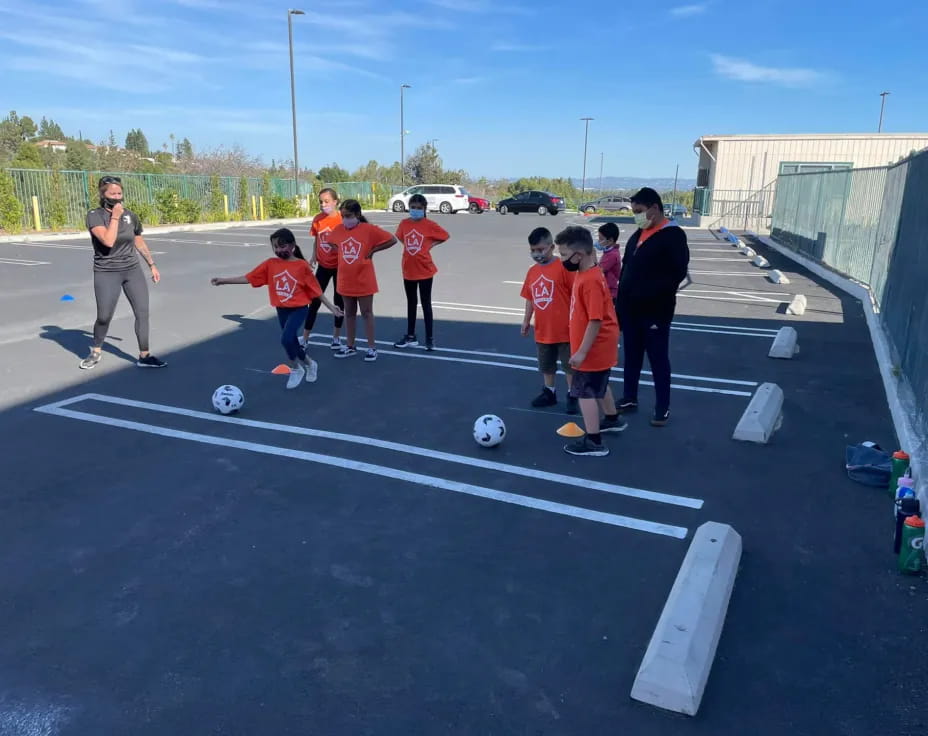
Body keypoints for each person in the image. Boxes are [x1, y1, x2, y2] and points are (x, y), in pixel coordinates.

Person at [210, 228, 342, 389]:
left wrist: (331, 307)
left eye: (282, 246)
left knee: (286, 339)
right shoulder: (270, 264)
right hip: (281, 309)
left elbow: (316, 290)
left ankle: (296, 368)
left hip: (299, 309)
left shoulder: (301, 266)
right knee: (292, 341)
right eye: (275, 247)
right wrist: (224, 280)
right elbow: (249, 277)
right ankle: (310, 363)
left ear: (292, 245)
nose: (279, 250)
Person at [615, 187, 689, 427]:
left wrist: (648, 293)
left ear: (654, 208)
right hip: (630, 310)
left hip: (655, 311)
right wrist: (620, 306)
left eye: (639, 211)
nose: (636, 216)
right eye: (634, 212)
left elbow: (676, 273)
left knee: (658, 359)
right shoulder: (639, 234)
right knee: (631, 356)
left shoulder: (673, 235)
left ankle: (662, 407)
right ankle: (629, 397)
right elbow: (626, 268)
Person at [80, 176, 165, 370]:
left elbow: (138, 241)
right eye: (113, 193)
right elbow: (108, 241)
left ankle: (144, 355)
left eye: (119, 193)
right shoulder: (95, 215)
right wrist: (115, 216)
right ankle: (96, 351)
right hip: (107, 271)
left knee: (142, 312)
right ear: (103, 194)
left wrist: (151, 264)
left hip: (132, 270)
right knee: (104, 316)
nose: (117, 197)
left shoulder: (131, 216)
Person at [555, 226, 626, 457]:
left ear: (579, 255)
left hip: (594, 348)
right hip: (599, 346)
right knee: (599, 385)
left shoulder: (591, 281)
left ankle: (594, 441)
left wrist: (582, 352)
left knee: (585, 392)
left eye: (564, 255)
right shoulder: (587, 273)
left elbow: (595, 320)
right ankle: (612, 419)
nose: (562, 260)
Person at [328, 199, 397, 361]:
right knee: (349, 314)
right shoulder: (339, 230)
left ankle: (372, 347)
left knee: (366, 313)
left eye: (349, 216)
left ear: (358, 214)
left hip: (364, 278)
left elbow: (392, 240)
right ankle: (350, 345)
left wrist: (373, 250)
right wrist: (339, 250)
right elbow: (330, 242)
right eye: (343, 216)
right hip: (345, 279)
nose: (345, 219)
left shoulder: (368, 229)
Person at [520, 227, 578, 415]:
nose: (537, 254)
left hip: (565, 329)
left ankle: (572, 394)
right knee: (546, 364)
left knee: (569, 365)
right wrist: (526, 320)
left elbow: (576, 295)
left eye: (541, 249)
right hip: (543, 329)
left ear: (552, 247)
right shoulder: (532, 272)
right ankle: (549, 392)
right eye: (533, 250)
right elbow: (530, 297)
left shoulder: (564, 267)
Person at [393, 193, 449, 351]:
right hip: (408, 269)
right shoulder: (404, 223)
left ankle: (429, 338)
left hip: (424, 269)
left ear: (424, 209)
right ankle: (410, 336)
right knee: (411, 302)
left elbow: (445, 235)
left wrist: (430, 245)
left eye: (419, 208)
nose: (415, 210)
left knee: (426, 303)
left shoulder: (429, 224)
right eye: (413, 207)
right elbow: (401, 238)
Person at [302, 188, 345, 350]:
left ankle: (336, 337)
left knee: (338, 301)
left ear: (335, 202)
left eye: (326, 201)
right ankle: (305, 338)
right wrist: (314, 256)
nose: (323, 204)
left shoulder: (342, 219)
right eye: (321, 202)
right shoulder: (318, 219)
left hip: (339, 266)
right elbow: (317, 239)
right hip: (323, 266)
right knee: (314, 300)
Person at [597, 222, 621, 314]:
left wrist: (591, 255)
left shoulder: (611, 255)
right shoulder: (609, 252)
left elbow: (598, 271)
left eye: (601, 239)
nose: (598, 241)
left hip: (610, 292)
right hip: (609, 290)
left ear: (610, 240)